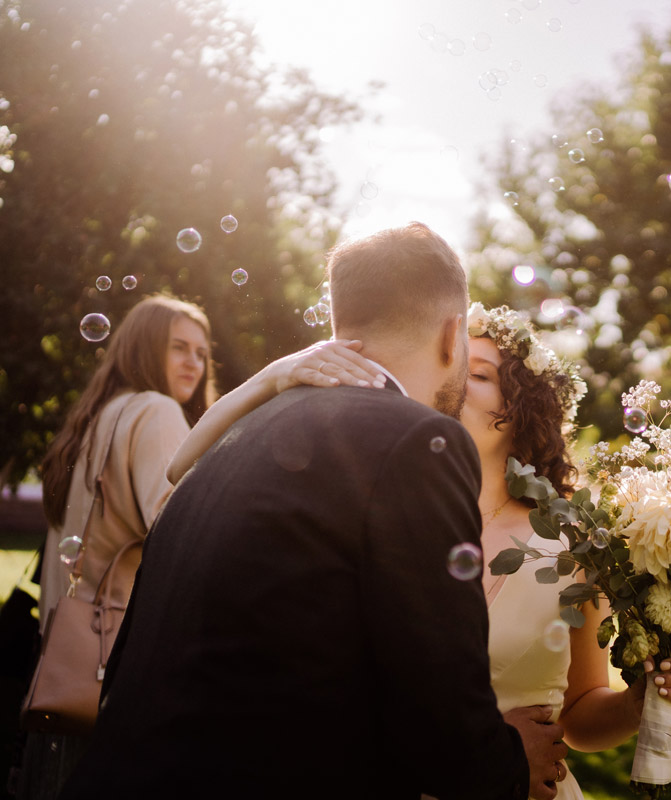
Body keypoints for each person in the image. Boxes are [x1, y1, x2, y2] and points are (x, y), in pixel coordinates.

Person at [59, 224, 533, 800]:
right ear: (452, 334)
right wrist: (514, 764)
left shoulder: (231, 438)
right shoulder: (417, 439)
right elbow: (442, 721)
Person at [164, 300, 671, 800]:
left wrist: (638, 705)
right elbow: (185, 473)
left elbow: (580, 715)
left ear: (521, 411)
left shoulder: (573, 541)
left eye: (481, 374)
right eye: (456, 366)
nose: (456, 381)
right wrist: (281, 372)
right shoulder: (379, 512)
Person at [15, 294, 215, 800]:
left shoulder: (96, 419)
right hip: (119, 674)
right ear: (146, 349)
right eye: (178, 348)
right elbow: (181, 530)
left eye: (201, 352)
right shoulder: (157, 410)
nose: (194, 361)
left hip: (61, 670)